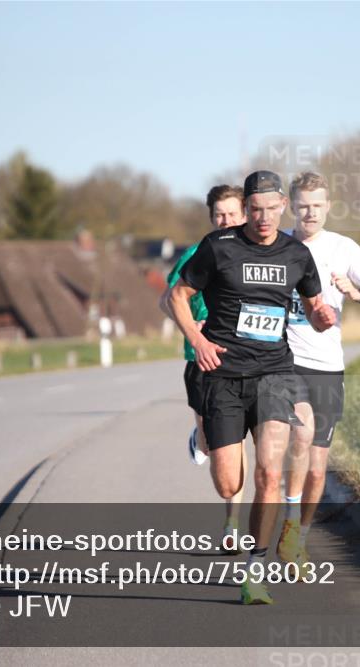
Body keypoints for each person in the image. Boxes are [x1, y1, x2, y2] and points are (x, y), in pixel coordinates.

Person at [168, 170, 336, 605]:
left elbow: (315, 305)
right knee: (229, 483)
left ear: (283, 206)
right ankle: (211, 440)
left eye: (270, 209)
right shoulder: (218, 247)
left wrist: (322, 318)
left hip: (275, 374)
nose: (263, 218)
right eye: (254, 210)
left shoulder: (296, 254)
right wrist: (198, 339)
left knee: (268, 473)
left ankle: (254, 571)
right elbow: (177, 296)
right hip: (222, 375)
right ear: (246, 209)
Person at [275, 171, 360, 566]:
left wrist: (356, 292)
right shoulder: (276, 247)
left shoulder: (344, 248)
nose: (309, 213)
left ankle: (298, 539)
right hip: (286, 361)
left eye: (317, 205)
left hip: (327, 366)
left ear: (328, 206)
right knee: (301, 433)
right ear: (291, 207)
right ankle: (289, 521)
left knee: (317, 468)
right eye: (303, 205)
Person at [160, 184, 248, 549]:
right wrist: (190, 327)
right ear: (211, 218)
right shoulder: (197, 254)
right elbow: (168, 300)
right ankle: (201, 435)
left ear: (244, 215)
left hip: (242, 360)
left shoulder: (254, 254)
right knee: (214, 444)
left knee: (237, 442)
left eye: (231, 214)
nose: (225, 221)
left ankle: (232, 525)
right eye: (219, 215)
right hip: (200, 360)